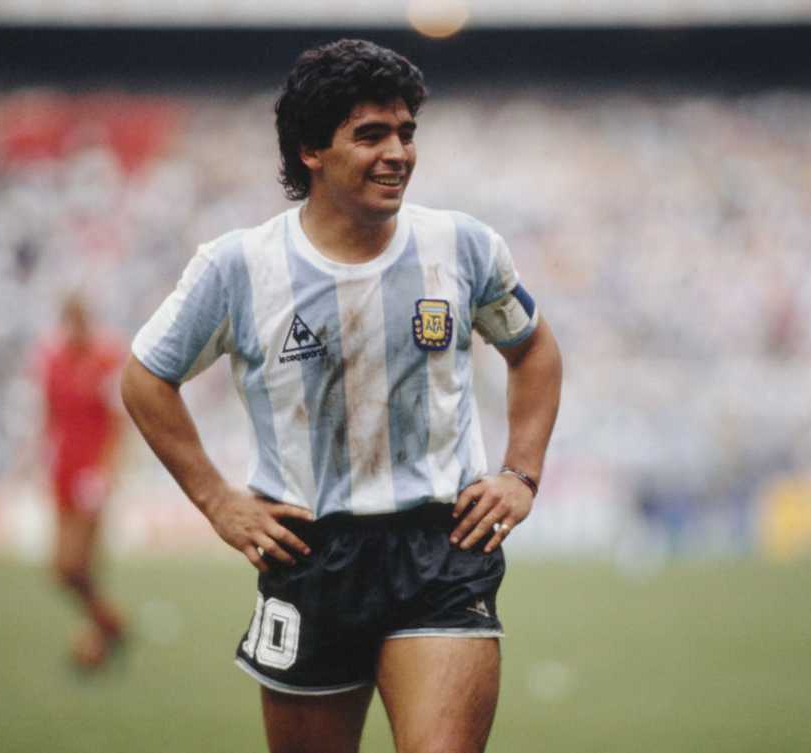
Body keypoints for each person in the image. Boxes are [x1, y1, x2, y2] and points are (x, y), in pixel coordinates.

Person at [121, 39, 562, 753]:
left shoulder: (463, 246)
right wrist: (218, 500)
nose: (398, 153)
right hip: (310, 551)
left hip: (441, 547)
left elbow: (534, 347)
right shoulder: (238, 266)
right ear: (310, 151)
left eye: (406, 132)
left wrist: (521, 472)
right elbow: (145, 376)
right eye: (371, 134)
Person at [39, 293, 127, 669]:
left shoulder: (106, 359)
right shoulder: (53, 362)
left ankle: (102, 632)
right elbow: (49, 417)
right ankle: (108, 626)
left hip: (91, 475)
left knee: (77, 564)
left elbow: (119, 422)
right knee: (63, 568)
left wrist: (107, 472)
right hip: (62, 470)